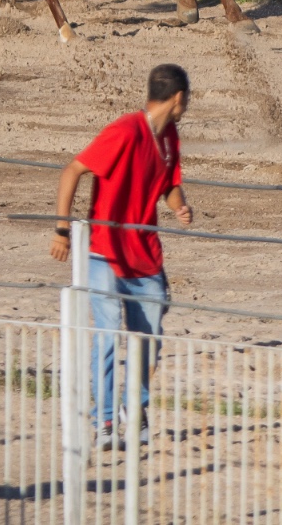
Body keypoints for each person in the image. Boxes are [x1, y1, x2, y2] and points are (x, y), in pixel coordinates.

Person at [50, 63, 195, 449]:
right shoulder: (125, 131)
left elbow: (170, 184)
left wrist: (179, 206)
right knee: (109, 336)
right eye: (187, 100)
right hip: (105, 253)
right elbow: (72, 171)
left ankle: (136, 406)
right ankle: (106, 420)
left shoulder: (169, 136)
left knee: (149, 339)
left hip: (145, 256)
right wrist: (62, 229)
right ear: (178, 98)